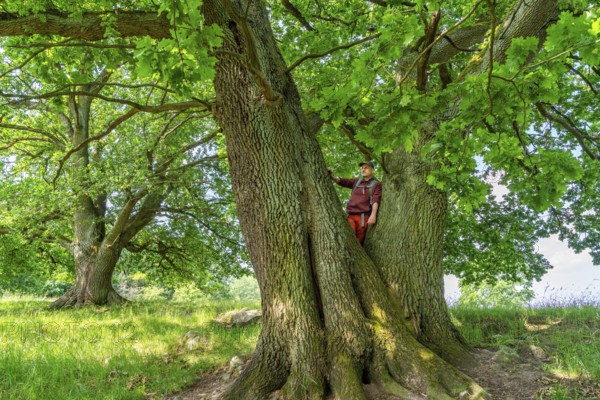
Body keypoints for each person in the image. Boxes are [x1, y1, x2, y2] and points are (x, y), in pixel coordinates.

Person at [328, 161, 382, 244]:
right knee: (348, 237)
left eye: (366, 168)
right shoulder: (357, 181)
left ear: (372, 170)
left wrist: (373, 215)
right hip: (350, 215)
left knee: (358, 242)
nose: (363, 170)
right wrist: (331, 176)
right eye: (362, 168)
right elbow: (343, 181)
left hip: (363, 217)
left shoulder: (376, 184)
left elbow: (376, 199)